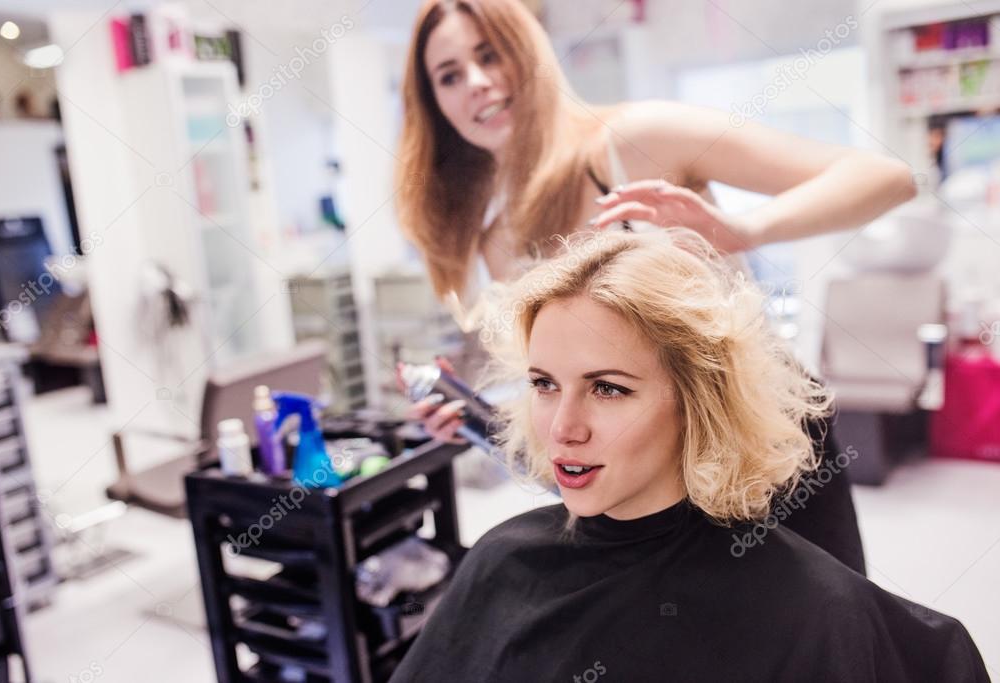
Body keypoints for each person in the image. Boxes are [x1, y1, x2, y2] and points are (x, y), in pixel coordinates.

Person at [393, 0, 903, 575]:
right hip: (646, 491)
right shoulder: (490, 245)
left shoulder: (635, 142)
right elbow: (579, 391)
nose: (478, 84)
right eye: (450, 75)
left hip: (765, 452)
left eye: (490, 55)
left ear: (527, 50)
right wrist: (480, 422)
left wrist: (742, 230)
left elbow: (886, 178)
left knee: (819, 646)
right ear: (433, 104)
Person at [387, 230, 988, 683]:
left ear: (698, 402)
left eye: (608, 388)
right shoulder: (501, 562)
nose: (563, 429)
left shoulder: (812, 610)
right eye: (545, 384)